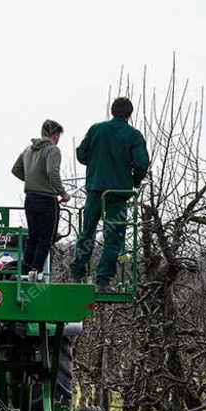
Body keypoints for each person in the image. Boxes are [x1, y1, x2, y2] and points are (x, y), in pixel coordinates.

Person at [70, 97, 151, 292]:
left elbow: (81, 154)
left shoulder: (96, 129)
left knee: (87, 232)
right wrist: (134, 181)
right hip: (118, 193)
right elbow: (142, 163)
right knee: (114, 236)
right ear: (129, 114)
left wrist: (97, 161)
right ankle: (103, 281)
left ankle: (77, 274)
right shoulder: (134, 135)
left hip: (95, 189)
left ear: (112, 111)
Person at [11, 119, 70, 282]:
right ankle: (34, 272)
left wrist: (32, 180)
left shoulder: (28, 150)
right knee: (46, 239)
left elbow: (15, 170)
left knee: (33, 237)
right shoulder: (53, 150)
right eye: (58, 135)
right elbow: (53, 173)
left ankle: (24, 271)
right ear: (55, 134)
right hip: (47, 200)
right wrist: (63, 193)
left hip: (30, 199)